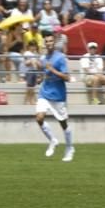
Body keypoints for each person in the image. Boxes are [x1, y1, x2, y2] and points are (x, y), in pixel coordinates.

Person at [35, 32, 75, 162]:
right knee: (39, 118)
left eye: (51, 41)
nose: (49, 43)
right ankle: (53, 140)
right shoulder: (43, 58)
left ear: (54, 42)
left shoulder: (60, 58)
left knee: (63, 124)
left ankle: (69, 148)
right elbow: (44, 74)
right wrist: (40, 78)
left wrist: (52, 70)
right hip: (45, 93)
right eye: (46, 41)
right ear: (44, 43)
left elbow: (67, 77)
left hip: (58, 96)